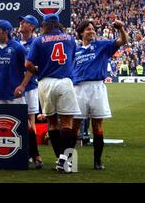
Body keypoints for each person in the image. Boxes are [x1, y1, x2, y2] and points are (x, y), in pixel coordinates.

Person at [25, 13, 80, 173]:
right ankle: (64, 160)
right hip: (64, 81)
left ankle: (61, 160)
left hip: (45, 82)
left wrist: (36, 71)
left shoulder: (38, 40)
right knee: (67, 123)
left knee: (52, 123)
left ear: (44, 25)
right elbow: (72, 58)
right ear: (59, 24)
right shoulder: (70, 39)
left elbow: (28, 63)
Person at [72, 19, 128, 170]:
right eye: (88, 29)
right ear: (81, 32)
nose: (92, 31)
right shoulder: (74, 50)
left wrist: (120, 28)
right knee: (74, 126)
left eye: (93, 29)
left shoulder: (101, 45)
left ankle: (97, 161)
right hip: (78, 88)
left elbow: (123, 41)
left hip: (97, 87)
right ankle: (69, 160)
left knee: (97, 126)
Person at [17, 14, 43, 169]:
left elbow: (34, 68)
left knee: (30, 122)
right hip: (15, 87)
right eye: (21, 21)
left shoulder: (36, 43)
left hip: (30, 87)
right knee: (21, 122)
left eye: (25, 22)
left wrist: (24, 83)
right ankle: (30, 154)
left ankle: (31, 154)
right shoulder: (14, 43)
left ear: (32, 27)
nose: (21, 23)